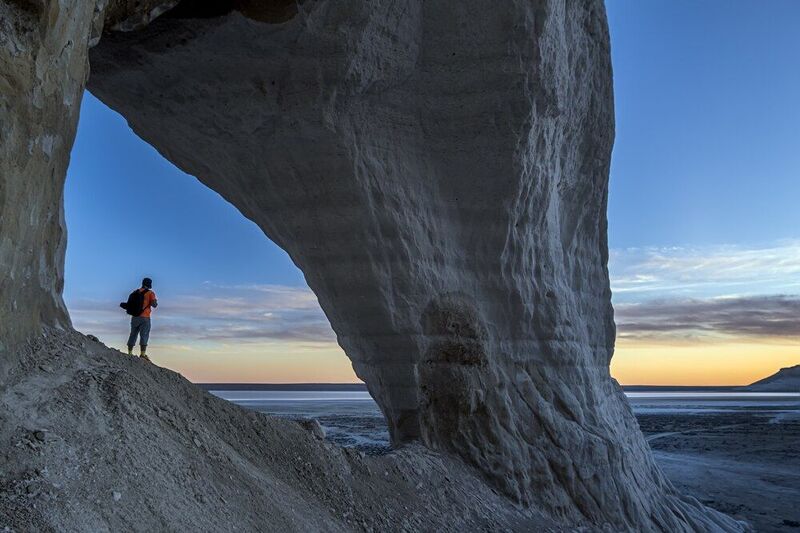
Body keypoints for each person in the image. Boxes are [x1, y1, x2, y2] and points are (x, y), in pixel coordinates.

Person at [121, 277, 158, 361]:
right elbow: (154, 305)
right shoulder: (150, 293)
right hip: (145, 317)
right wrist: (154, 301)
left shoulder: (135, 292)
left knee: (133, 334)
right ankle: (142, 354)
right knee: (144, 335)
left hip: (135, 317)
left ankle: (130, 353)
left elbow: (129, 304)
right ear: (149, 284)